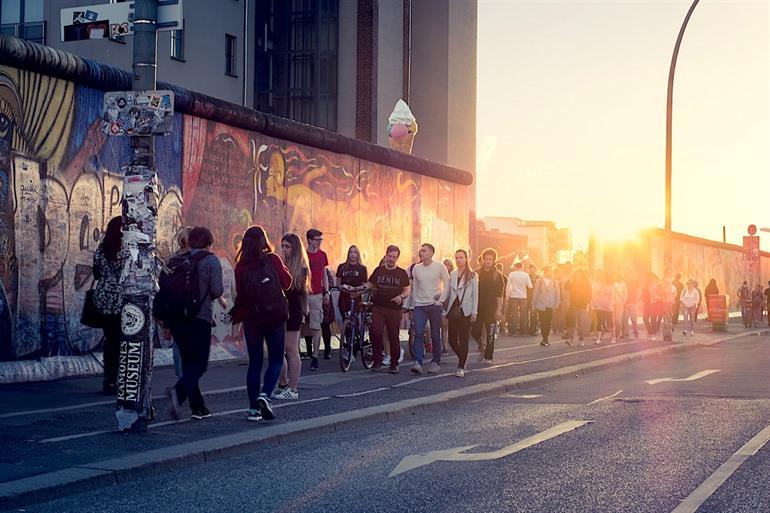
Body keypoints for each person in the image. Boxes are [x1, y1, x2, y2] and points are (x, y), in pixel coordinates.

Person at [230, 226, 292, 422]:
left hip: (252, 318)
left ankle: (253, 410)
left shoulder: (240, 266)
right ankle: (265, 395)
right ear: (264, 241)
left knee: (254, 364)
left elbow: (239, 294)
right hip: (275, 316)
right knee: (275, 359)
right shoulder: (273, 259)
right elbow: (287, 283)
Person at [166, 227, 224, 421]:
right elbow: (216, 290)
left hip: (176, 319)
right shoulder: (210, 260)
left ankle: (198, 407)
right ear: (208, 243)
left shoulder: (176, 260)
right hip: (199, 317)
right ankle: (178, 392)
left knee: (189, 363)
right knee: (199, 364)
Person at [272, 233, 310, 401]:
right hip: (279, 309)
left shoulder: (301, 267)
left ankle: (293, 388)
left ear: (295, 248)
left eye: (287, 246)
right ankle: (282, 383)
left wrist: (305, 309)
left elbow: (301, 291)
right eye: (283, 246)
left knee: (291, 349)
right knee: (278, 348)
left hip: (293, 310)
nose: (284, 249)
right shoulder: (283, 263)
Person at [91, 216, 127, 395]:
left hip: (103, 297)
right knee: (122, 340)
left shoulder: (101, 249)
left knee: (110, 340)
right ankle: (120, 378)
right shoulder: (125, 250)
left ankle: (109, 379)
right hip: (121, 298)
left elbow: (96, 273)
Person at [367, 245, 410, 373]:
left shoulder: (401, 273)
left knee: (393, 335)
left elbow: (407, 289)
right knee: (376, 332)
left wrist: (401, 296)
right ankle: (377, 360)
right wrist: (358, 291)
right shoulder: (378, 271)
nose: (391, 259)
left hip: (394, 309)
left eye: (394, 257)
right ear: (386, 256)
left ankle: (394, 363)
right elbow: (369, 285)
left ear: (397, 258)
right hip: (379, 307)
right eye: (389, 256)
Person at [409, 243, 450, 375]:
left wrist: (441, 300)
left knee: (435, 334)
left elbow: (447, 284)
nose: (421, 253)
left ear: (431, 253)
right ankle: (418, 363)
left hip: (434, 305)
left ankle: (435, 362)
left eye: (424, 251)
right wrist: (414, 304)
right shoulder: (416, 268)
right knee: (418, 333)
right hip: (420, 306)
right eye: (420, 251)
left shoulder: (439, 266)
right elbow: (414, 287)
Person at [445, 249, 478, 377]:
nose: (459, 260)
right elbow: (448, 291)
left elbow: (475, 295)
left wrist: (474, 312)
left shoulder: (473, 275)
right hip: (453, 309)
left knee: (464, 338)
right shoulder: (452, 274)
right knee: (452, 339)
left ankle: (460, 367)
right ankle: (462, 358)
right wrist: (440, 301)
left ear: (466, 259)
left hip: (466, 310)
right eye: (457, 257)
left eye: (461, 257)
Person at [471, 249, 505, 363]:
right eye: (486, 259)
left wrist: (499, 310)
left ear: (494, 260)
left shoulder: (498, 276)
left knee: (490, 333)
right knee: (474, 331)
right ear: (483, 259)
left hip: (491, 308)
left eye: (490, 259)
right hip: (477, 307)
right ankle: (481, 347)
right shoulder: (476, 274)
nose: (488, 261)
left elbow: (500, 296)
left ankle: (488, 356)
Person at [305, 229, 330, 371]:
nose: (319, 242)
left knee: (316, 325)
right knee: (298, 324)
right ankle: (294, 355)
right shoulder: (303, 254)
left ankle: (315, 357)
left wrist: (326, 291)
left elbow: (324, 274)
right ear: (309, 240)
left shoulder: (322, 255)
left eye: (320, 240)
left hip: (317, 294)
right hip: (303, 294)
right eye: (317, 239)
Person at [532, 265, 561, 346]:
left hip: (551, 305)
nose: (551, 273)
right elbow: (535, 294)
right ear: (545, 272)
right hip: (541, 305)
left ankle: (546, 338)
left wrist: (557, 304)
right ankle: (545, 338)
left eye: (551, 271)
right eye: (549, 271)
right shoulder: (539, 281)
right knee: (543, 321)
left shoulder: (555, 281)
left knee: (548, 322)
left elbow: (557, 294)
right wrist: (533, 305)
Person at [506, 262, 532, 336]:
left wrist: (507, 296)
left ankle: (514, 332)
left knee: (514, 314)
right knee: (524, 314)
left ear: (515, 267)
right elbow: (530, 286)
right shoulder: (526, 275)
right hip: (523, 296)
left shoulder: (511, 274)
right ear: (522, 267)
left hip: (514, 296)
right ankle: (523, 332)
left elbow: (508, 286)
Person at [567, 270, 591, 346]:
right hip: (573, 305)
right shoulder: (572, 283)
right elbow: (566, 287)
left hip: (582, 305)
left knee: (581, 323)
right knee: (572, 322)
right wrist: (570, 279)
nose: (577, 277)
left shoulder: (586, 284)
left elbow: (589, 295)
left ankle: (581, 339)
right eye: (576, 275)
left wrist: (587, 305)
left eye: (579, 275)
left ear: (582, 276)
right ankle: (571, 340)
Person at [592, 270, 613, 344]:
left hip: (608, 306)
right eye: (601, 276)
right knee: (599, 322)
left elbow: (612, 295)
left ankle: (613, 336)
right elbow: (594, 294)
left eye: (604, 276)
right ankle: (598, 338)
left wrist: (611, 304)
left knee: (610, 323)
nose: (602, 277)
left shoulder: (610, 285)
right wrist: (594, 304)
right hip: (599, 305)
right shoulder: (597, 284)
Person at [442, 258, 455, 355]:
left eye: (448, 265)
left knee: (452, 325)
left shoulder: (454, 276)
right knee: (444, 325)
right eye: (445, 265)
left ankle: (453, 343)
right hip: (443, 303)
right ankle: (445, 347)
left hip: (452, 303)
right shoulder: (440, 277)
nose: (447, 267)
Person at [610, 272, 628, 344]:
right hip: (611, 304)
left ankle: (618, 332)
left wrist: (623, 301)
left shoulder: (623, 284)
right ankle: (613, 335)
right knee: (612, 321)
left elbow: (626, 293)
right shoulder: (611, 284)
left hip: (620, 303)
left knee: (618, 320)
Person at [623, 276, 641, 340]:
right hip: (626, 303)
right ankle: (626, 333)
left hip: (632, 303)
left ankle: (634, 331)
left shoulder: (635, 284)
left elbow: (638, 293)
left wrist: (636, 301)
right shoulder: (625, 283)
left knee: (633, 319)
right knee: (625, 319)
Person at [527, 264, 540, 335]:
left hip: (536, 297)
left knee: (534, 313)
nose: (532, 271)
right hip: (528, 297)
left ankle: (533, 329)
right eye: (530, 269)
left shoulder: (539, 277)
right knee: (527, 314)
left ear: (535, 269)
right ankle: (527, 329)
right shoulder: (527, 276)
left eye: (533, 269)